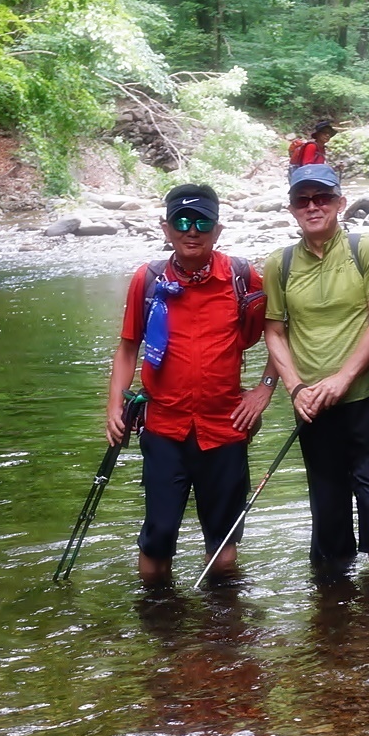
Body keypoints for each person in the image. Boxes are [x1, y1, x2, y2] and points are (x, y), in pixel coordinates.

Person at [107, 184, 277, 586]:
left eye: (202, 222)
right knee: (158, 537)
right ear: (166, 228)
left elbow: (279, 333)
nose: (192, 231)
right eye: (182, 222)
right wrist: (114, 406)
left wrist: (265, 388)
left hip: (225, 428)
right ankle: (156, 614)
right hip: (164, 428)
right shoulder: (148, 280)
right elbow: (128, 347)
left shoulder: (241, 278)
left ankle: (223, 620)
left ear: (218, 230)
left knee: (223, 545)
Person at [262, 163, 369, 577]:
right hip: (312, 406)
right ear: (291, 209)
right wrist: (296, 389)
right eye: (302, 200)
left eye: (322, 198)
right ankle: (332, 599)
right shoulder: (280, 264)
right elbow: (274, 331)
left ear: (340, 203)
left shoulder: (365, 249)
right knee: (327, 505)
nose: (313, 206)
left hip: (367, 397)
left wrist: (342, 379)